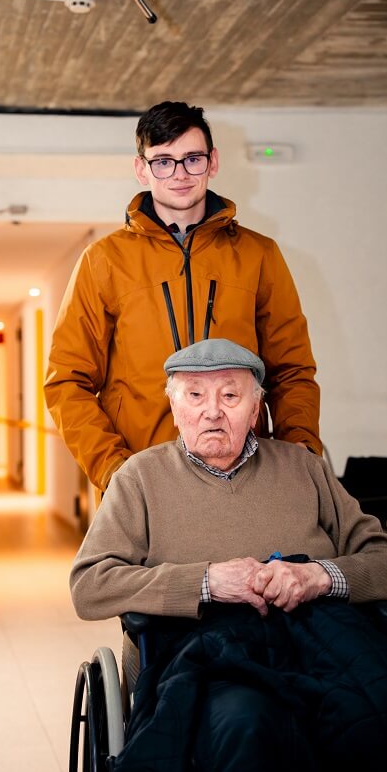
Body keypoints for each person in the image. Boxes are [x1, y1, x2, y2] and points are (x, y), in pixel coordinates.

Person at [70, 339, 387, 772]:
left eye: (229, 395)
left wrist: (320, 576)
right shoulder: (140, 478)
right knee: (248, 722)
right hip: (206, 659)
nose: (212, 411)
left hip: (319, 646)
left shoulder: (304, 467)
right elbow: (89, 584)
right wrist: (206, 583)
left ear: (257, 406)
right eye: (194, 395)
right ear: (173, 406)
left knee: (378, 706)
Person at [45, 101, 321, 497]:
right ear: (142, 168)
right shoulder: (104, 261)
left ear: (212, 162)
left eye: (192, 159)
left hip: (245, 475)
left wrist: (299, 456)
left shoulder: (260, 255)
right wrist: (114, 471)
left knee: (245, 563)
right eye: (163, 161)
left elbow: (292, 370)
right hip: (143, 479)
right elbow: (67, 382)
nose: (179, 174)